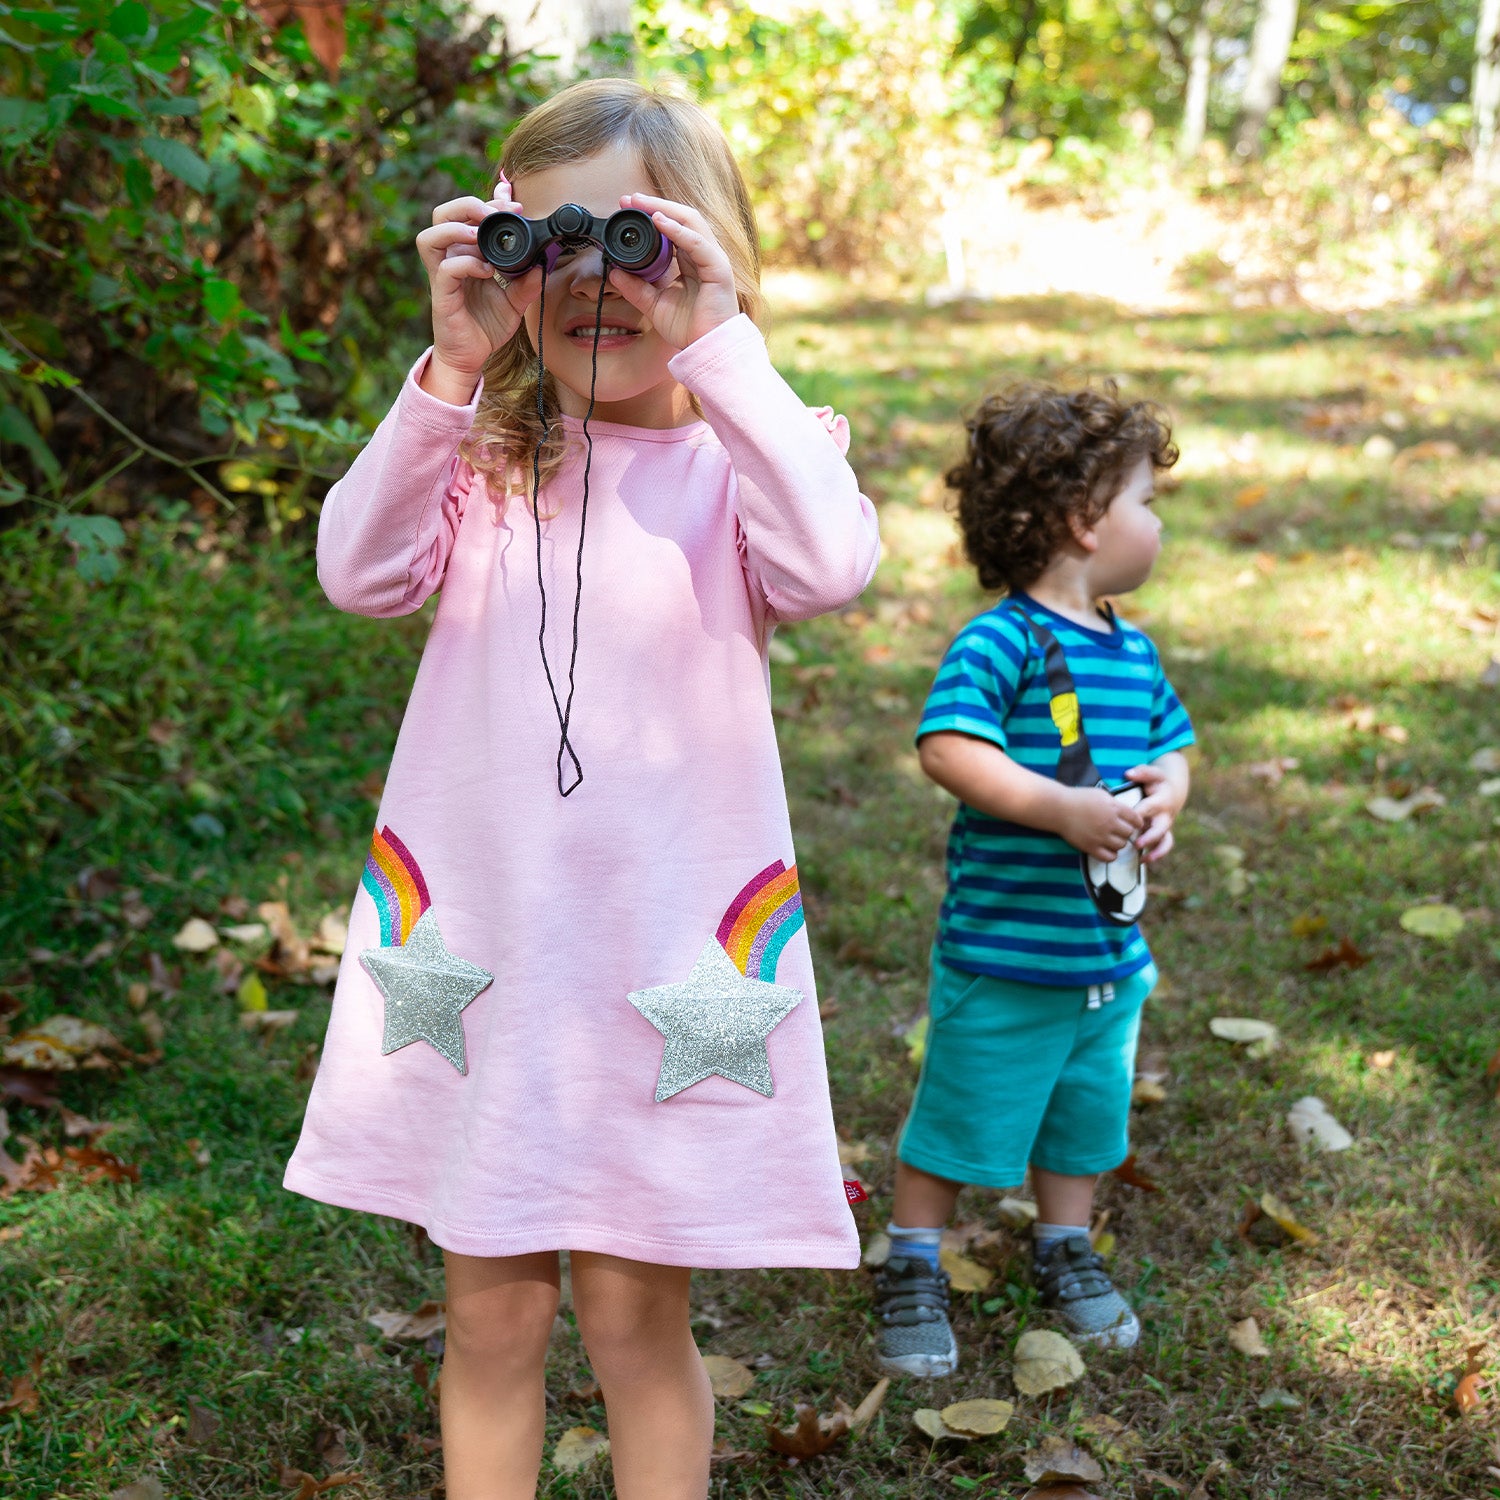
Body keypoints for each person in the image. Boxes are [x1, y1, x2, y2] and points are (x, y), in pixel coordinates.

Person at [283, 78, 879, 1499]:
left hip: (661, 978)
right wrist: (448, 375)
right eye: (544, 245)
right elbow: (358, 573)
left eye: (631, 244)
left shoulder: (751, 462)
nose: (590, 283)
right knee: (489, 1315)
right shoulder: (482, 454)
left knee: (631, 1313)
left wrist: (724, 349)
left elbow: (831, 566)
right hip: (488, 964)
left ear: (707, 259)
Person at [872, 382, 1192, 1376]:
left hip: (1105, 956)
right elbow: (948, 748)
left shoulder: (1131, 652)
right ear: (1082, 523)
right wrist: (1060, 808)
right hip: (1007, 952)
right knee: (963, 1111)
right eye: (1146, 499)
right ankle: (914, 1259)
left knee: (1086, 1115)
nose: (1159, 521)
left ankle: (1066, 1245)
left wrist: (1165, 795)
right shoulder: (1002, 641)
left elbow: (1177, 747)